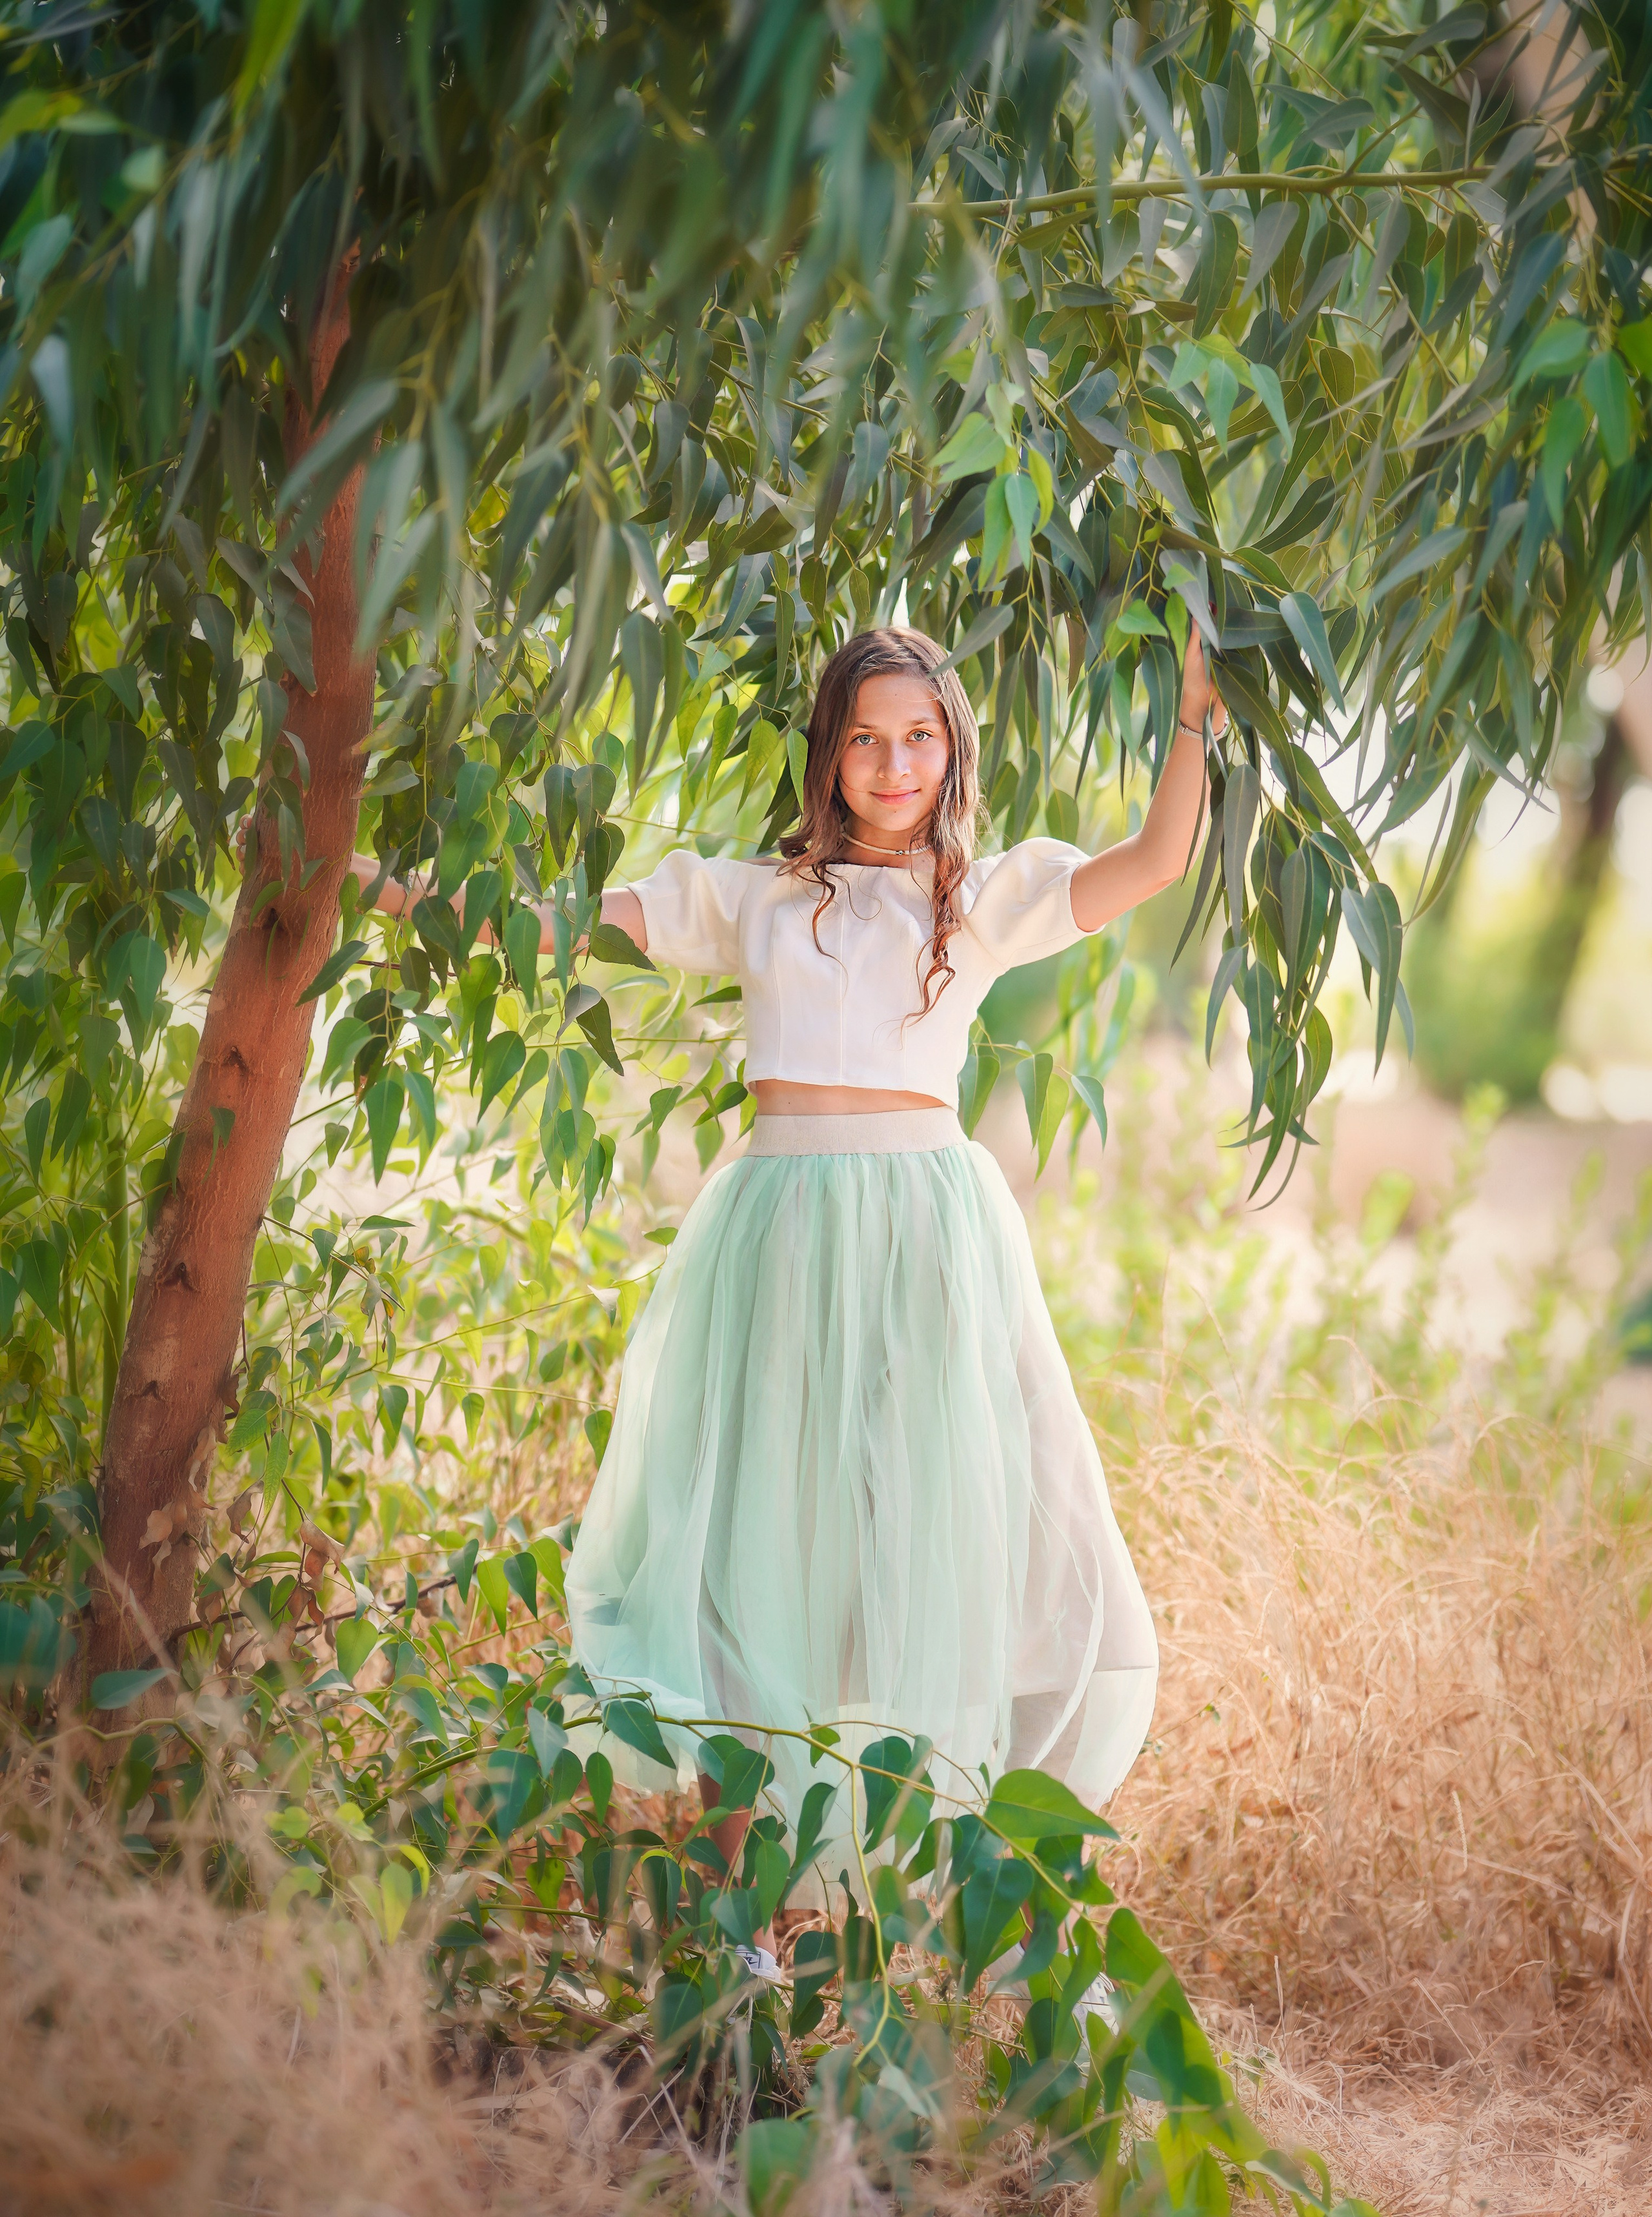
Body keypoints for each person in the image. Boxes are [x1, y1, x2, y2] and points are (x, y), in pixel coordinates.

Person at [347, 623, 1224, 1977]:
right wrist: (388, 890)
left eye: (919, 737)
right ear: (826, 750)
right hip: (776, 1238)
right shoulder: (755, 895)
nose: (892, 764)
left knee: (905, 1546)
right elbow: (560, 925)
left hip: (924, 1240)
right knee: (758, 1548)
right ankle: (739, 1924)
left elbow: (1154, 860)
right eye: (865, 737)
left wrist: (1193, 717)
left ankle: (850, 1913)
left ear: (952, 751)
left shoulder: (977, 897)